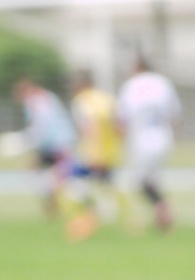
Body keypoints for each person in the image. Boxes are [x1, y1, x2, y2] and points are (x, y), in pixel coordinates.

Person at [117, 57, 182, 232]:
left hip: (142, 138)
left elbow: (122, 120)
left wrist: (122, 140)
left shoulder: (131, 86)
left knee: (138, 181)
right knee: (152, 180)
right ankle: (161, 213)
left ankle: (162, 209)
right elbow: (175, 115)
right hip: (164, 136)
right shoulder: (163, 83)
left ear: (137, 68)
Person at [64, 71, 127, 242]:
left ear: (82, 85)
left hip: (93, 155)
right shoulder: (108, 99)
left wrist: (95, 152)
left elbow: (91, 127)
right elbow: (120, 127)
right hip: (111, 154)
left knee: (73, 187)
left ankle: (91, 219)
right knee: (106, 188)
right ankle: (123, 222)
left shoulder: (82, 102)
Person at [12, 77, 76, 218]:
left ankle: (57, 205)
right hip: (53, 144)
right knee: (45, 176)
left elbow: (42, 126)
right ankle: (53, 204)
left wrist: (24, 140)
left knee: (57, 178)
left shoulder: (36, 101)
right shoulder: (46, 97)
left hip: (58, 144)